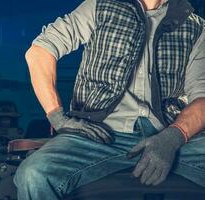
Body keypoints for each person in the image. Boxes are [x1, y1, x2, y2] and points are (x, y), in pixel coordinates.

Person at [14, 0, 205, 199]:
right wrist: (56, 116)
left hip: (168, 134)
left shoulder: (196, 27)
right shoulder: (99, 6)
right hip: (100, 135)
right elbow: (40, 51)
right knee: (34, 173)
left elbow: (202, 98)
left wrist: (172, 138)